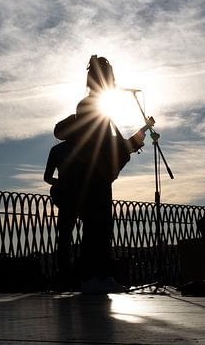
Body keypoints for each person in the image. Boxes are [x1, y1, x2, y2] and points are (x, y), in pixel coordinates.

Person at [55, 55, 146, 294]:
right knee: (96, 227)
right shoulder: (89, 106)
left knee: (102, 227)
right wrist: (127, 146)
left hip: (97, 175)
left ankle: (101, 275)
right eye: (110, 79)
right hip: (90, 176)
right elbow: (95, 144)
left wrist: (133, 142)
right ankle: (91, 277)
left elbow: (107, 146)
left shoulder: (97, 107)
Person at [43, 137, 80, 290]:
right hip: (81, 194)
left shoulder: (56, 150)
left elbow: (47, 177)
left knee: (64, 236)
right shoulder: (87, 147)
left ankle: (65, 274)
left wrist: (61, 183)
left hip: (65, 195)